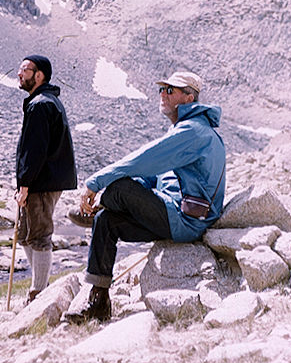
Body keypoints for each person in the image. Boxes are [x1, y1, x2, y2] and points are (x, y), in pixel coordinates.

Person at [65, 70, 225, 323]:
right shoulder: (183, 131)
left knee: (119, 187)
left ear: (189, 97)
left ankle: (93, 210)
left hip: (186, 221)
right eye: (161, 89)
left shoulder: (194, 132)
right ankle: (98, 302)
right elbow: (151, 175)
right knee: (107, 221)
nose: (163, 94)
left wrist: (96, 183)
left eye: (170, 90)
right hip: (171, 215)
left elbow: (143, 159)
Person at [15, 54, 77, 302]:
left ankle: (38, 292)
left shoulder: (41, 104)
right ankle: (38, 284)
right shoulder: (43, 101)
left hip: (42, 182)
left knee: (38, 235)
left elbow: (35, 149)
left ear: (38, 75)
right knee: (26, 234)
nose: (19, 73)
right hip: (41, 180)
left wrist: (25, 184)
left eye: (25, 70)